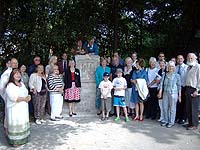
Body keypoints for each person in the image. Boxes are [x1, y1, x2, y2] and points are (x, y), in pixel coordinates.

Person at [5, 69, 31, 146]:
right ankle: (16, 142)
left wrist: (29, 96)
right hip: (15, 109)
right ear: (12, 76)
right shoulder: (10, 85)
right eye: (16, 74)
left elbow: (26, 92)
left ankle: (23, 139)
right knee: (16, 123)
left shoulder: (22, 84)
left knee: (22, 123)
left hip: (23, 108)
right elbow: (13, 97)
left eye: (19, 73)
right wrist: (24, 99)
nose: (18, 75)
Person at [158, 61, 181, 128]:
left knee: (172, 108)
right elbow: (161, 84)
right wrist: (160, 92)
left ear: (174, 67)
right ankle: (165, 120)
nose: (171, 68)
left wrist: (179, 96)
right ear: (168, 67)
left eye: (172, 66)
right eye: (170, 66)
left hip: (173, 93)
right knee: (165, 107)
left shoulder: (177, 75)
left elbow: (179, 86)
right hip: (165, 93)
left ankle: (171, 122)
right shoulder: (164, 74)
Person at [0, 58, 18, 135]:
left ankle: (15, 129)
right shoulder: (6, 73)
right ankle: (7, 130)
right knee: (7, 114)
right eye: (13, 63)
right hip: (8, 97)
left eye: (16, 63)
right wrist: (5, 97)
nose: (15, 64)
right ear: (10, 64)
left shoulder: (17, 72)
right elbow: (1, 87)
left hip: (17, 98)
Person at [185, 53, 200, 130]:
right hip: (188, 88)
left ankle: (195, 124)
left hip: (194, 89)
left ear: (195, 58)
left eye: (191, 58)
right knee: (188, 107)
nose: (190, 59)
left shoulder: (198, 67)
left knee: (194, 108)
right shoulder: (188, 67)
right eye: (189, 58)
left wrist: (197, 90)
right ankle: (190, 123)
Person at [175, 55, 188, 124]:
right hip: (176, 88)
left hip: (184, 87)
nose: (179, 60)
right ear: (176, 60)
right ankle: (178, 117)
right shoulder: (175, 67)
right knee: (177, 103)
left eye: (181, 58)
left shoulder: (186, 67)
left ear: (183, 59)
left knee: (183, 103)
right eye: (178, 59)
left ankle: (183, 118)